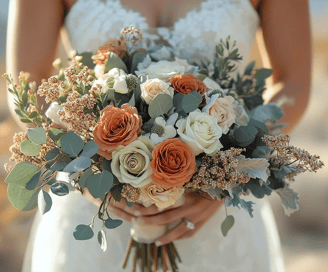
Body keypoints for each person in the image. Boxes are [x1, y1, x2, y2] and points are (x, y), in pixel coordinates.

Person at [7, 0, 311, 271]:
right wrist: (86, 168)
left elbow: (294, 82)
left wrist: (227, 173)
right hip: (96, 209)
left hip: (215, 216)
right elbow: (27, 83)